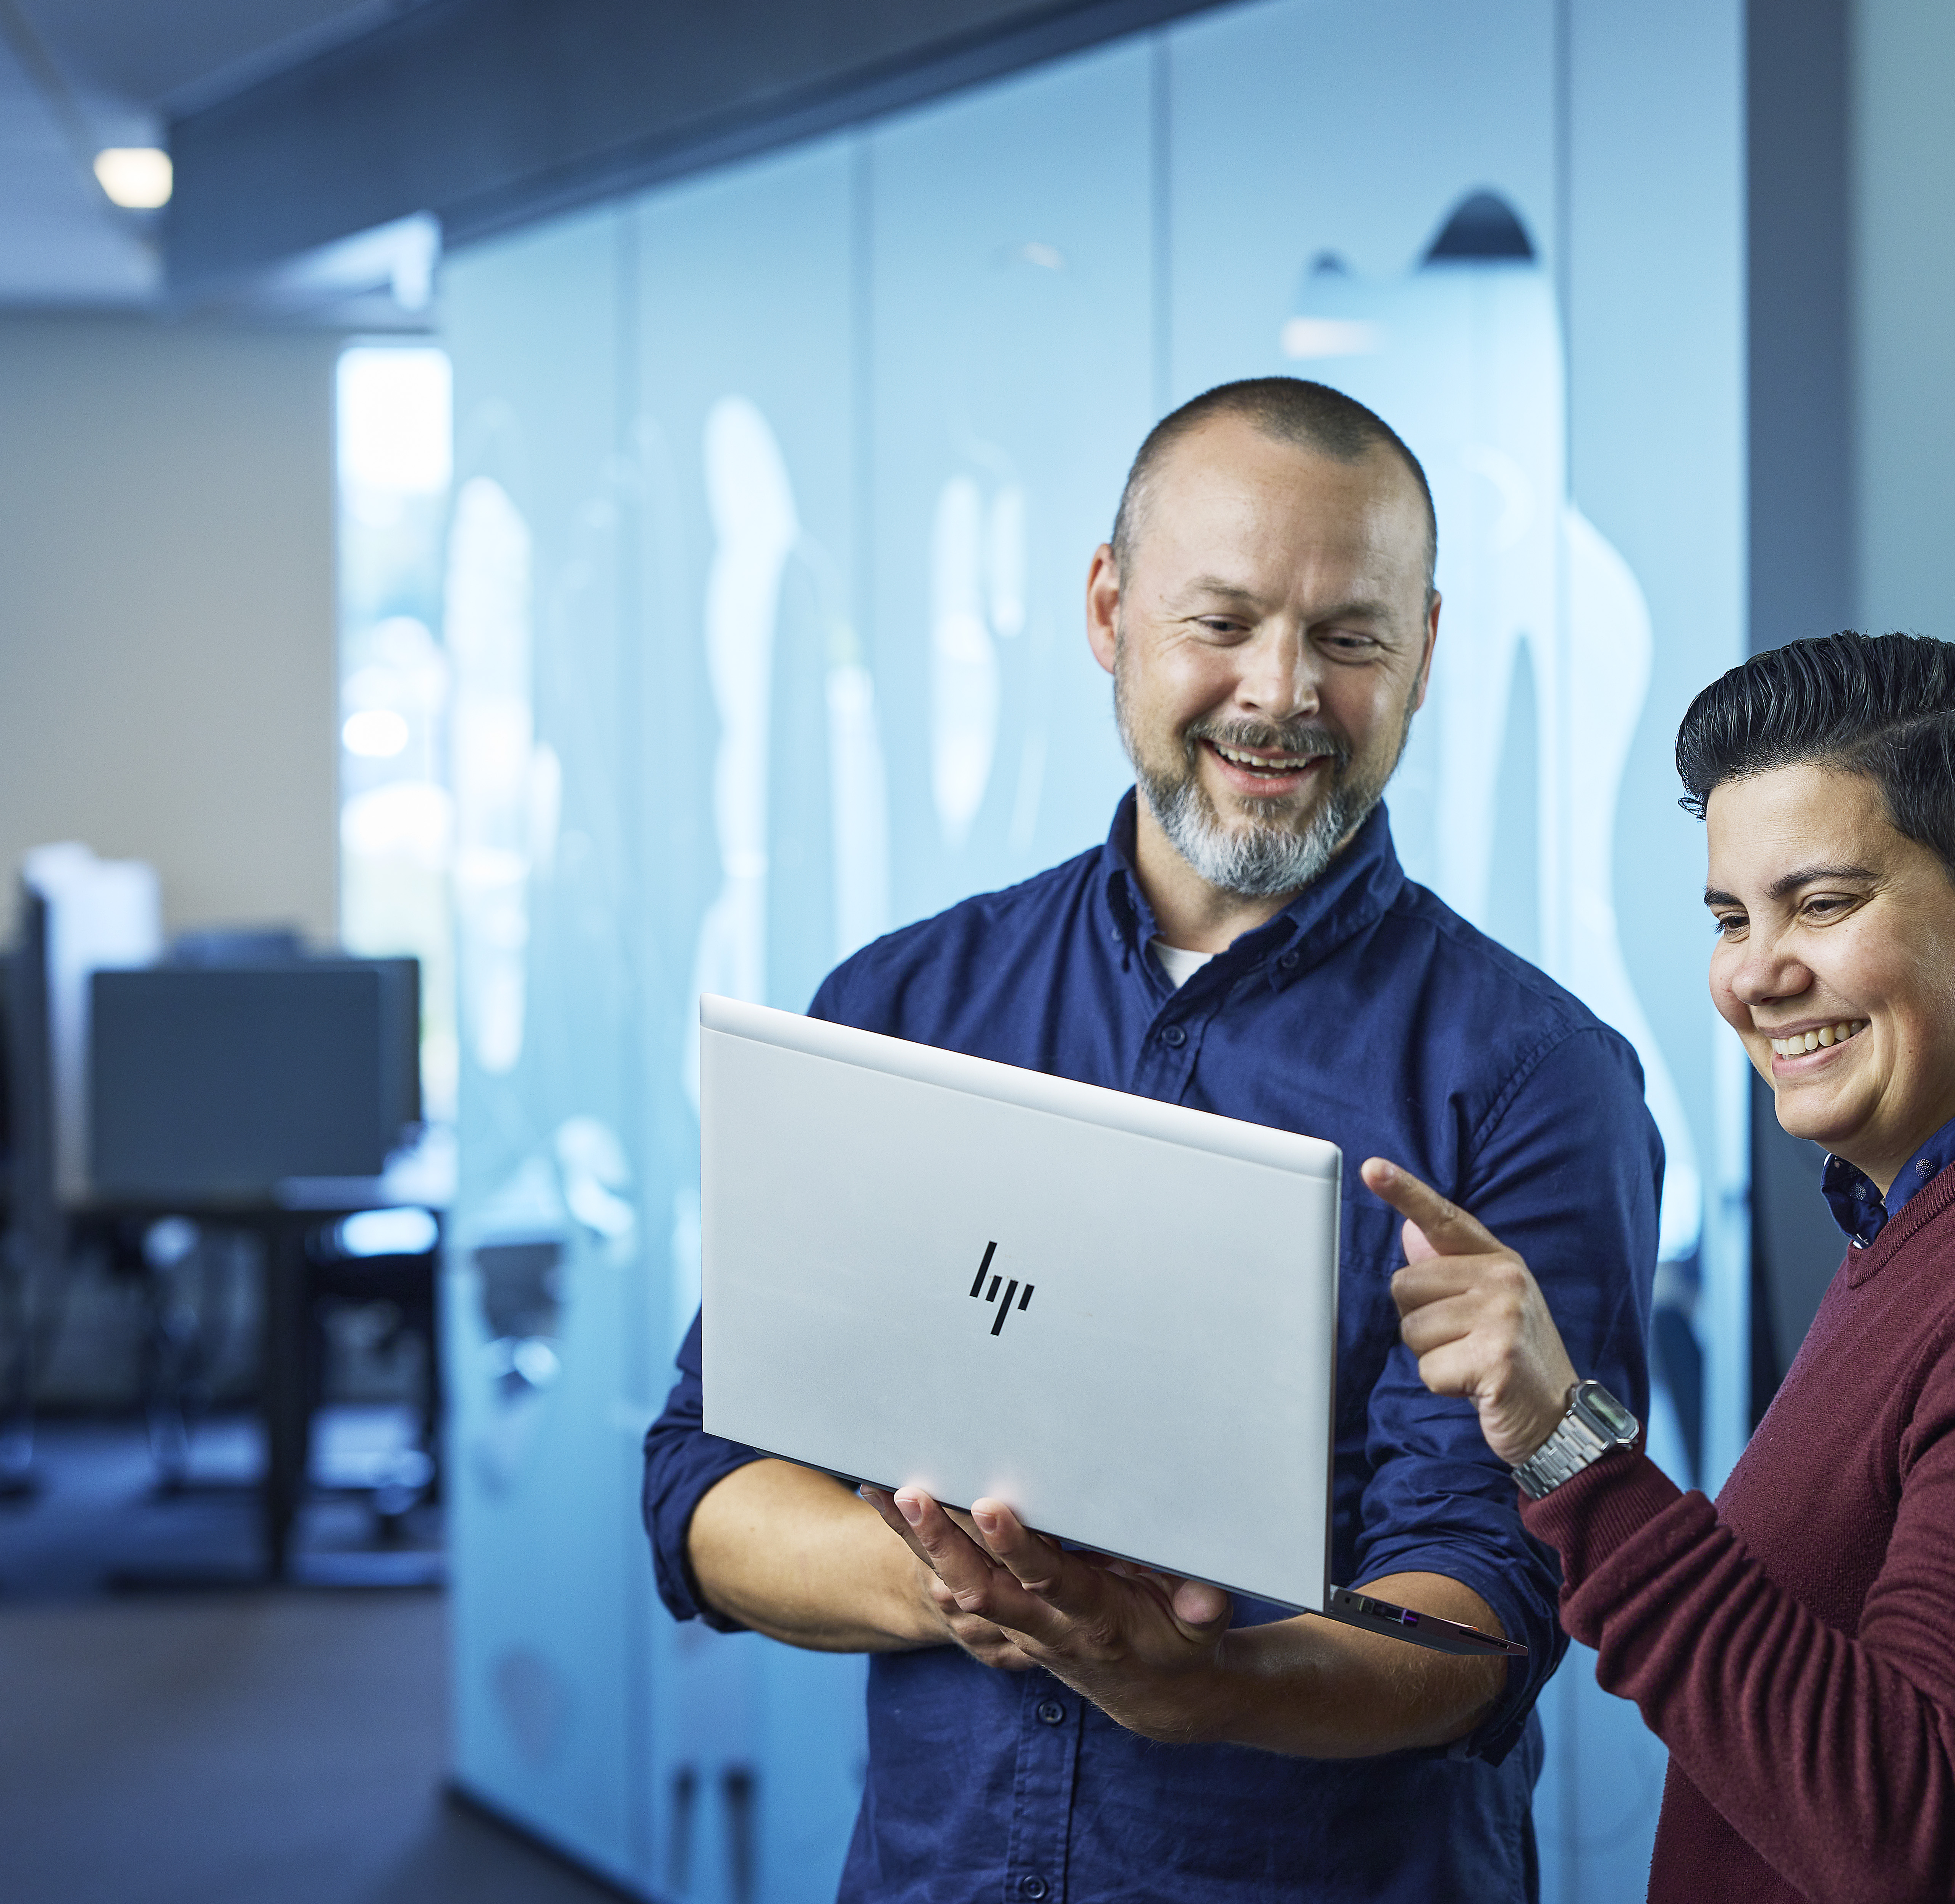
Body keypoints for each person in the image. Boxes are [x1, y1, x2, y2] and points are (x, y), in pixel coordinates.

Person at [641, 377, 1659, 1902]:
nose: (1280, 690)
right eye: (1223, 620)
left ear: (1425, 651)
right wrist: (978, 1589)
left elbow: (1486, 1607)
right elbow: (708, 1473)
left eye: (1348, 639)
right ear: (1108, 608)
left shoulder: (1528, 1076)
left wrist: (1198, 1676)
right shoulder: (900, 1005)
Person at [1370, 633, 1955, 1904]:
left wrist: (1567, 1448)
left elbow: (1903, 1832)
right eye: (1729, 916)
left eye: (1821, 904)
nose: (1755, 974)